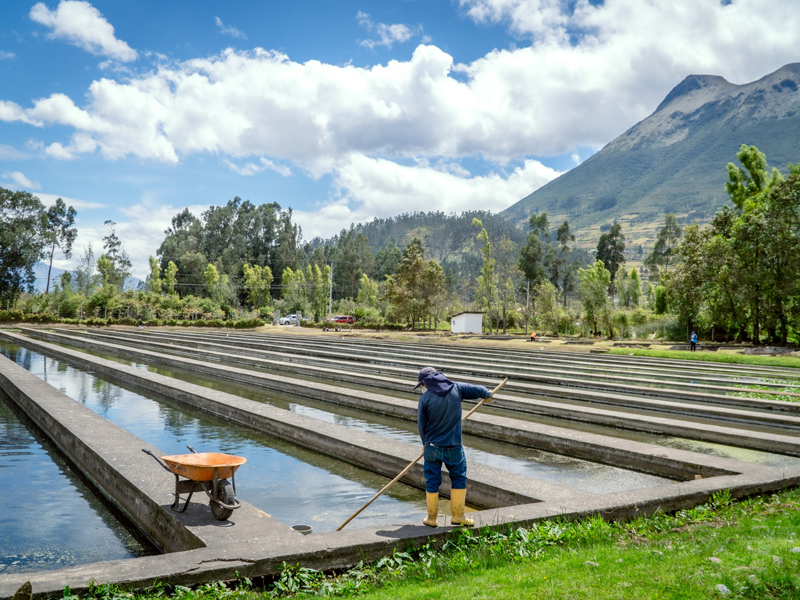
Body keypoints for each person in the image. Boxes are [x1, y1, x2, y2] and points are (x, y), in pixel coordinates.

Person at [414, 366, 492, 528]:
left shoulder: (425, 399)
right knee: (458, 478)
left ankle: (432, 519)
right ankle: (458, 516)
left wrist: (424, 444)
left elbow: (422, 427)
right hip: (454, 447)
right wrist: (487, 395)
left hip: (432, 448)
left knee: (432, 482)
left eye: (422, 385)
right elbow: (481, 390)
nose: (423, 388)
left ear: (426, 383)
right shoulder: (457, 388)